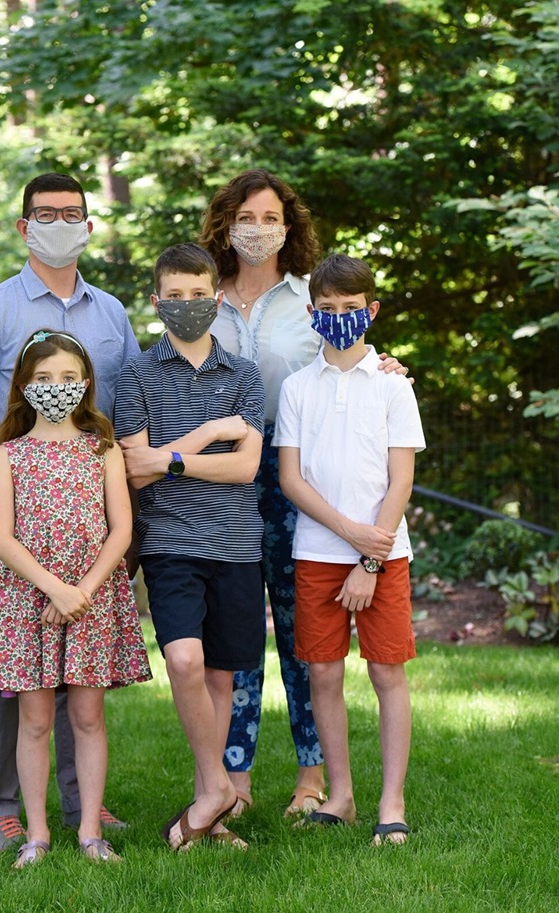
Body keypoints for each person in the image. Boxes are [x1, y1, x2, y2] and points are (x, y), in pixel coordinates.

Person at [0, 172, 139, 852]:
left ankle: (84, 802)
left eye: (72, 213)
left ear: (88, 225)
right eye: (45, 213)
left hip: (94, 523)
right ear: (24, 226)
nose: (60, 222)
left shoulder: (112, 314)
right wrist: (15, 486)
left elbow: (126, 409)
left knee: (83, 669)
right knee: (13, 671)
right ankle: (1, 805)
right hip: (19, 523)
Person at [200, 168, 407, 819]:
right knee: (234, 629)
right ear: (225, 225)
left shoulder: (309, 300)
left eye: (269, 217)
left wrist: (389, 364)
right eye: (245, 216)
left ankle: (313, 775)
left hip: (298, 481)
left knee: (301, 633)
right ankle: (235, 777)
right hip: (226, 475)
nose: (257, 228)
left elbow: (347, 366)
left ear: (288, 228)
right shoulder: (201, 299)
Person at [0, 330, 151, 866]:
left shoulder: (104, 448)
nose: (57, 388)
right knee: (35, 720)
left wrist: (81, 592)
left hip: (92, 596)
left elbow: (121, 529)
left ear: (87, 383)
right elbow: (2, 537)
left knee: (89, 717)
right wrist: (53, 588)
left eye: (68, 378)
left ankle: (91, 831)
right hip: (26, 600)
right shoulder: (8, 454)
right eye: (44, 379)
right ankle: (37, 833)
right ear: (24, 387)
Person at [114, 243, 265, 851]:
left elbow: (247, 469)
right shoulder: (135, 375)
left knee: (223, 677)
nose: (186, 306)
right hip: (171, 543)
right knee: (183, 661)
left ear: (216, 298)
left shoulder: (246, 376)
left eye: (197, 295)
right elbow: (137, 470)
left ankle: (213, 811)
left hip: (236, 544)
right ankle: (215, 789)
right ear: (156, 303)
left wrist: (171, 455)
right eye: (173, 297)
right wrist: (207, 437)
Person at [274, 253, 425, 844]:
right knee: (324, 674)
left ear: (372, 311)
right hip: (316, 551)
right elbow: (291, 479)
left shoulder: (393, 387)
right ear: (313, 313)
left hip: (384, 555)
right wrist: (349, 535)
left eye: (352, 309)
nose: (340, 318)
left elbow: (401, 481)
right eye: (328, 309)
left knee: (388, 671)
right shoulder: (296, 388)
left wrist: (369, 556)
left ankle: (392, 800)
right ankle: (341, 796)